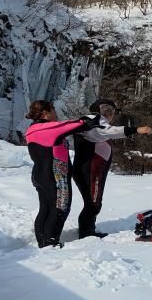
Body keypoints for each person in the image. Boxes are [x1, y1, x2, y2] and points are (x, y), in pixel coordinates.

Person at [24, 100, 101, 248]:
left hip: (40, 174)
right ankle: (50, 242)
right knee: (60, 207)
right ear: (46, 113)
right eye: (53, 110)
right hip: (55, 176)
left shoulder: (32, 130)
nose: (56, 113)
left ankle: (43, 240)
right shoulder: (48, 128)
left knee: (46, 208)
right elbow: (73, 124)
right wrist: (93, 119)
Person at [72, 99, 152, 239]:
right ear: (98, 109)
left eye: (112, 110)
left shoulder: (96, 122)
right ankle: (86, 234)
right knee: (93, 203)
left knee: (94, 202)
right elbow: (110, 131)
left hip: (94, 170)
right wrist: (136, 129)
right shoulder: (93, 120)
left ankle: (88, 230)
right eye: (107, 109)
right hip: (90, 170)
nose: (110, 113)